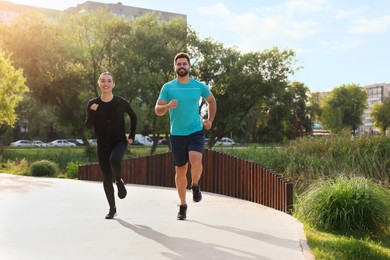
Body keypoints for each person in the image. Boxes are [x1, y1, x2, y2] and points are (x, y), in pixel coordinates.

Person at [155, 52, 217, 220]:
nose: (182, 66)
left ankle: (195, 184)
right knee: (181, 170)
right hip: (177, 134)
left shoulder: (198, 86)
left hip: (196, 130)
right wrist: (168, 106)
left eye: (184, 63)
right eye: (179, 64)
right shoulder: (168, 87)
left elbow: (211, 101)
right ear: (175, 67)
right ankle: (183, 205)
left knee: (196, 159)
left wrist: (210, 120)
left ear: (189, 66)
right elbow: (157, 110)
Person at [85, 72, 137, 219]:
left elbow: (133, 117)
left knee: (114, 160)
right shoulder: (93, 103)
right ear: (99, 83)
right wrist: (92, 112)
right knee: (106, 176)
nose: (106, 83)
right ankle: (112, 208)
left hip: (119, 141)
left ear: (113, 84)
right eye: (103, 81)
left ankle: (119, 181)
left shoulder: (121, 102)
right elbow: (88, 125)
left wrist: (131, 136)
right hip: (102, 144)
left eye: (109, 81)